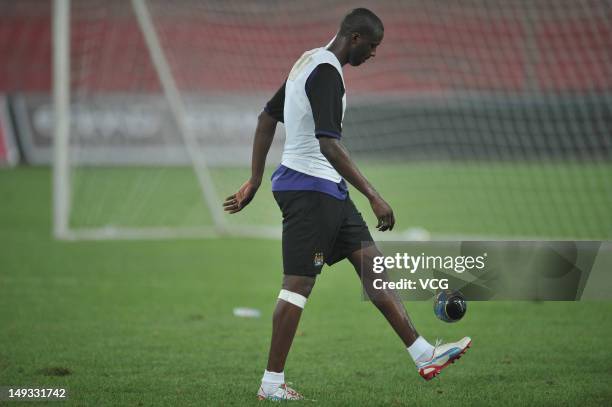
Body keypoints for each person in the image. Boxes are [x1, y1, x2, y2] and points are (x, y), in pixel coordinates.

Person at [223, 8, 471, 401]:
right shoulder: (326, 73)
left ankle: (424, 354)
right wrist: (373, 194)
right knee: (298, 284)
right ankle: (271, 384)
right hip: (310, 189)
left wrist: (255, 179)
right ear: (355, 38)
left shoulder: (309, 61)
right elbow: (328, 143)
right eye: (372, 46)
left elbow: (266, 118)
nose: (374, 54)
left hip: (326, 189)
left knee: (372, 266)